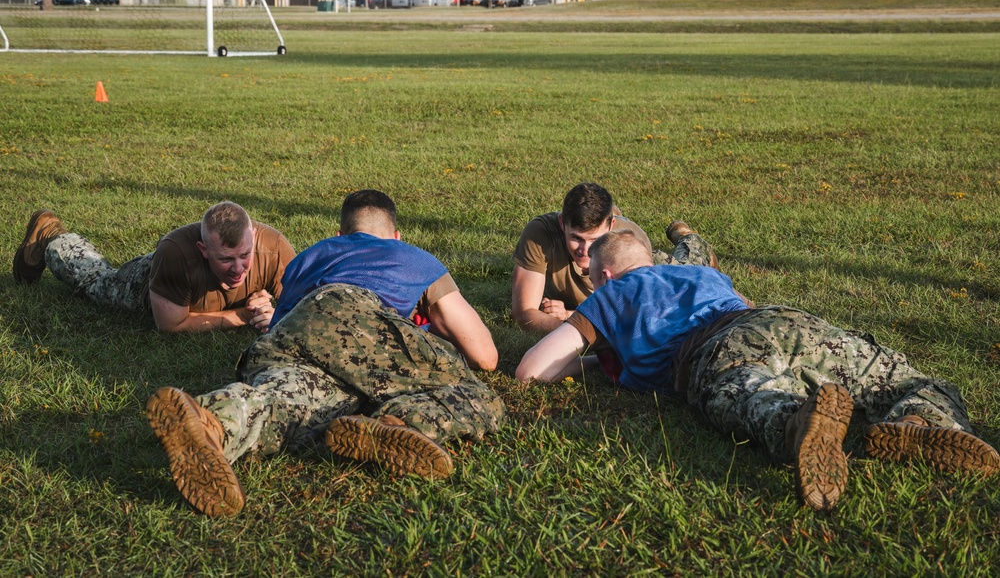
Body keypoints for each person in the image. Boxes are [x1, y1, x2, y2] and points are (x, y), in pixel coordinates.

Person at [516, 229, 998, 511]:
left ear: (603, 275)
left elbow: (532, 370)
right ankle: (916, 419)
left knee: (754, 395)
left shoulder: (611, 293)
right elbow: (693, 246)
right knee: (902, 378)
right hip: (780, 317)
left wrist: (596, 361)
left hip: (715, 349)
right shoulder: (704, 273)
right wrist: (682, 231)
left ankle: (799, 422)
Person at [146, 190, 506, 516]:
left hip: (291, 337)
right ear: (398, 238)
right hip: (359, 318)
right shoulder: (413, 257)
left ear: (339, 237)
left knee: (288, 400)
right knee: (478, 395)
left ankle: (214, 423)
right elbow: (484, 355)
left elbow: (284, 323)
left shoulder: (310, 257)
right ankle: (395, 423)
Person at [12, 202, 294, 333]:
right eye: (225, 259)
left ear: (254, 238)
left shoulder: (274, 248)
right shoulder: (177, 256)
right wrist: (243, 315)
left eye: (244, 256)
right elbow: (171, 325)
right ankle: (53, 236)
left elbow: (305, 306)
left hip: (188, 283)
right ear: (203, 250)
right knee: (97, 282)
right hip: (148, 280)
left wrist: (277, 313)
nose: (238, 269)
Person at [512, 182, 721, 333]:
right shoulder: (540, 234)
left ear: (610, 227)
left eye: (594, 239)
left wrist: (570, 319)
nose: (584, 250)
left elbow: (635, 319)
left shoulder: (631, 246)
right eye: (576, 238)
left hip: (635, 256)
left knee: (690, 267)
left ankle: (689, 239)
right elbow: (524, 314)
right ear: (561, 224)